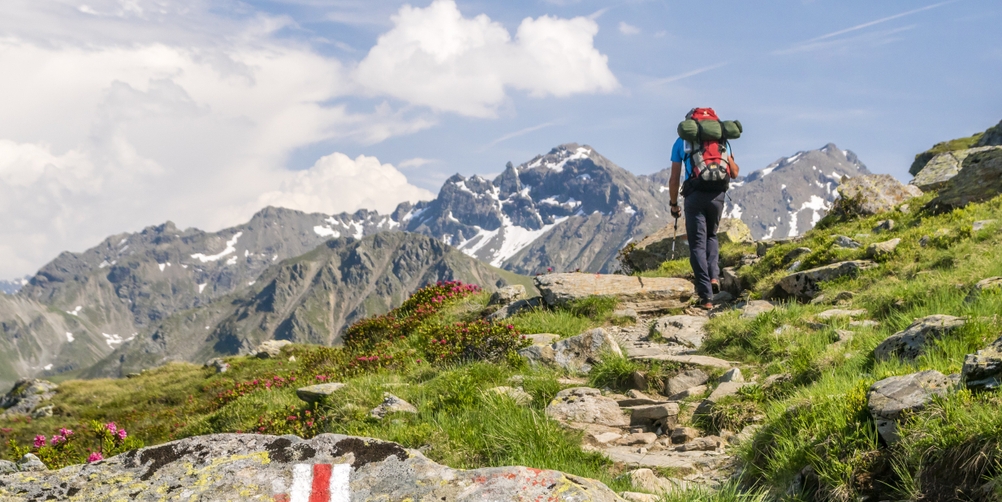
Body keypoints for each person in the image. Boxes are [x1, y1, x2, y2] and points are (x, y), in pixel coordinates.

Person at [667, 112, 740, 310]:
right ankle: (714, 277)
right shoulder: (722, 140)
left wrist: (673, 204)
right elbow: (733, 172)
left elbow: (674, 179)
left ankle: (706, 296)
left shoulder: (681, 141)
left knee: (697, 244)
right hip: (718, 196)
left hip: (695, 196)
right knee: (711, 236)